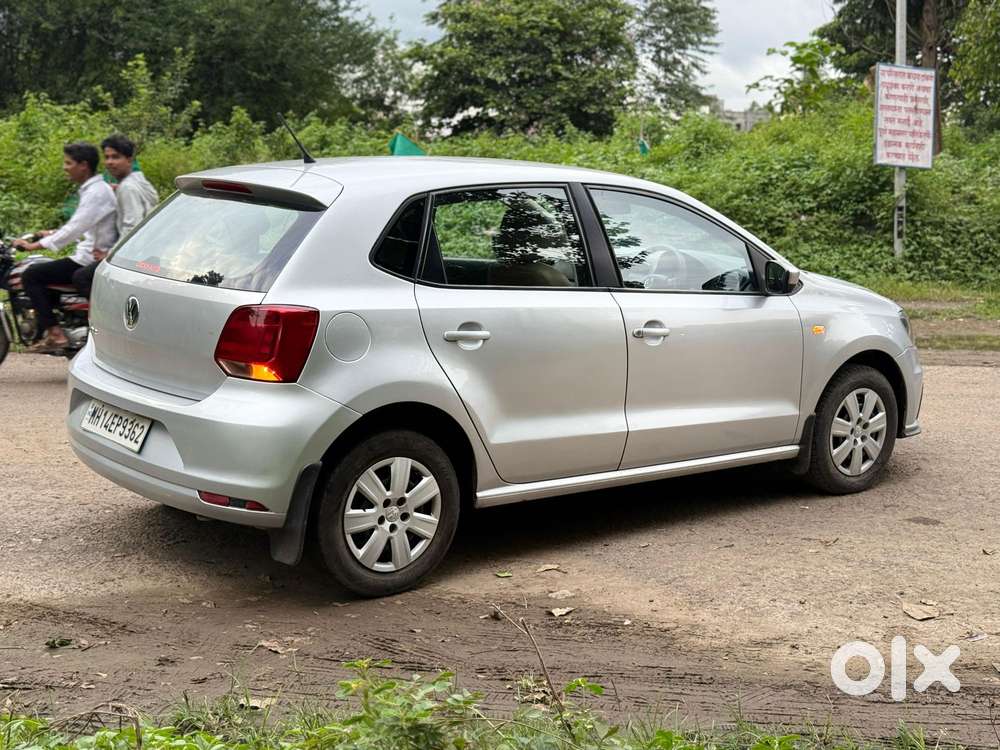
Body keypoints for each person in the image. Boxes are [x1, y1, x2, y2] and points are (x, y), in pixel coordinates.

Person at [15, 142, 117, 352]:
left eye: (68, 163)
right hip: (89, 251)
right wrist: (51, 233)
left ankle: (55, 333)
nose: (65, 167)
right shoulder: (94, 189)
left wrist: (35, 245)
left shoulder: (96, 192)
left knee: (31, 276)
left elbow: (76, 227)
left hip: (89, 257)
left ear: (83, 165)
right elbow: (83, 225)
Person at [71, 133, 159, 297]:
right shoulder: (139, 181)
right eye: (107, 157)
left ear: (129, 159)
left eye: (116, 157)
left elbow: (131, 227)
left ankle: (106, 318)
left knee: (81, 277)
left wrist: (110, 255)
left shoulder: (127, 188)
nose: (110, 162)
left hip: (137, 260)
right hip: (152, 257)